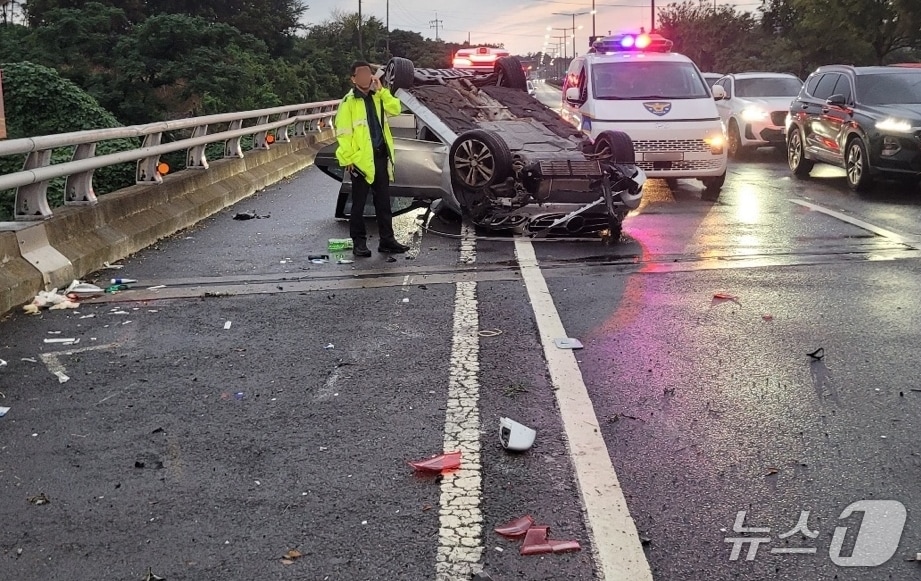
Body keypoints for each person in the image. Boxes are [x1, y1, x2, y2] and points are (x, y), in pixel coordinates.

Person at [334, 61, 410, 257]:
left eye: (368, 73)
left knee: (383, 202)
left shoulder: (378, 97)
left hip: (380, 156)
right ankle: (359, 242)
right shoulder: (348, 102)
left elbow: (396, 109)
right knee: (358, 204)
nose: (365, 77)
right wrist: (349, 159)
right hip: (360, 161)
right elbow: (343, 133)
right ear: (353, 79)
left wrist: (382, 90)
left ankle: (387, 240)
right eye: (360, 74)